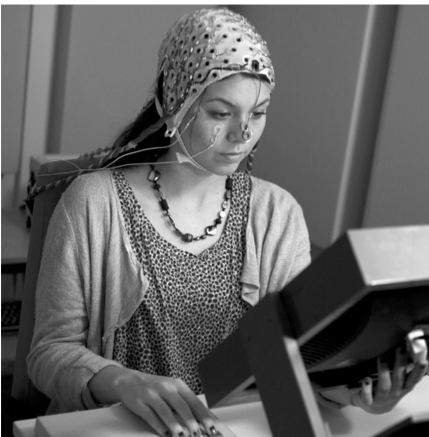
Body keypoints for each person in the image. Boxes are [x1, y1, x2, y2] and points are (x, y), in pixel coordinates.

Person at [28, 7, 428, 437]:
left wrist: (358, 392)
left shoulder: (278, 215)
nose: (243, 134)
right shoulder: (93, 203)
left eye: (258, 113)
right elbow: (50, 352)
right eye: (221, 114)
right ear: (171, 106)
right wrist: (125, 383)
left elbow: (304, 361)